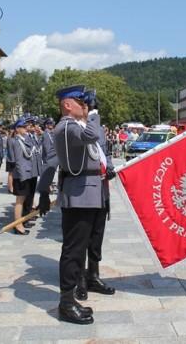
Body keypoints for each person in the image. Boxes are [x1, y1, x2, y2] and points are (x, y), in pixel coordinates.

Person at [53, 84, 103, 325]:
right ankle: (65, 302)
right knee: (73, 251)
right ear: (67, 105)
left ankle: (70, 298)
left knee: (79, 247)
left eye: (86, 101)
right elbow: (91, 136)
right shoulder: (65, 127)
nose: (84, 105)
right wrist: (92, 112)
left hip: (87, 194)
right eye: (80, 101)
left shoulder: (76, 126)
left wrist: (89, 115)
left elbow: (96, 140)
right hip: (78, 195)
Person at [75, 89, 116, 302]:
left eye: (90, 105)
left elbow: (104, 151)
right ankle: (80, 280)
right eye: (87, 104)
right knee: (82, 237)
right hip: (84, 189)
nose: (90, 108)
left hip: (100, 188)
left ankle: (94, 275)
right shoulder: (75, 127)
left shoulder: (96, 127)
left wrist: (109, 166)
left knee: (97, 235)